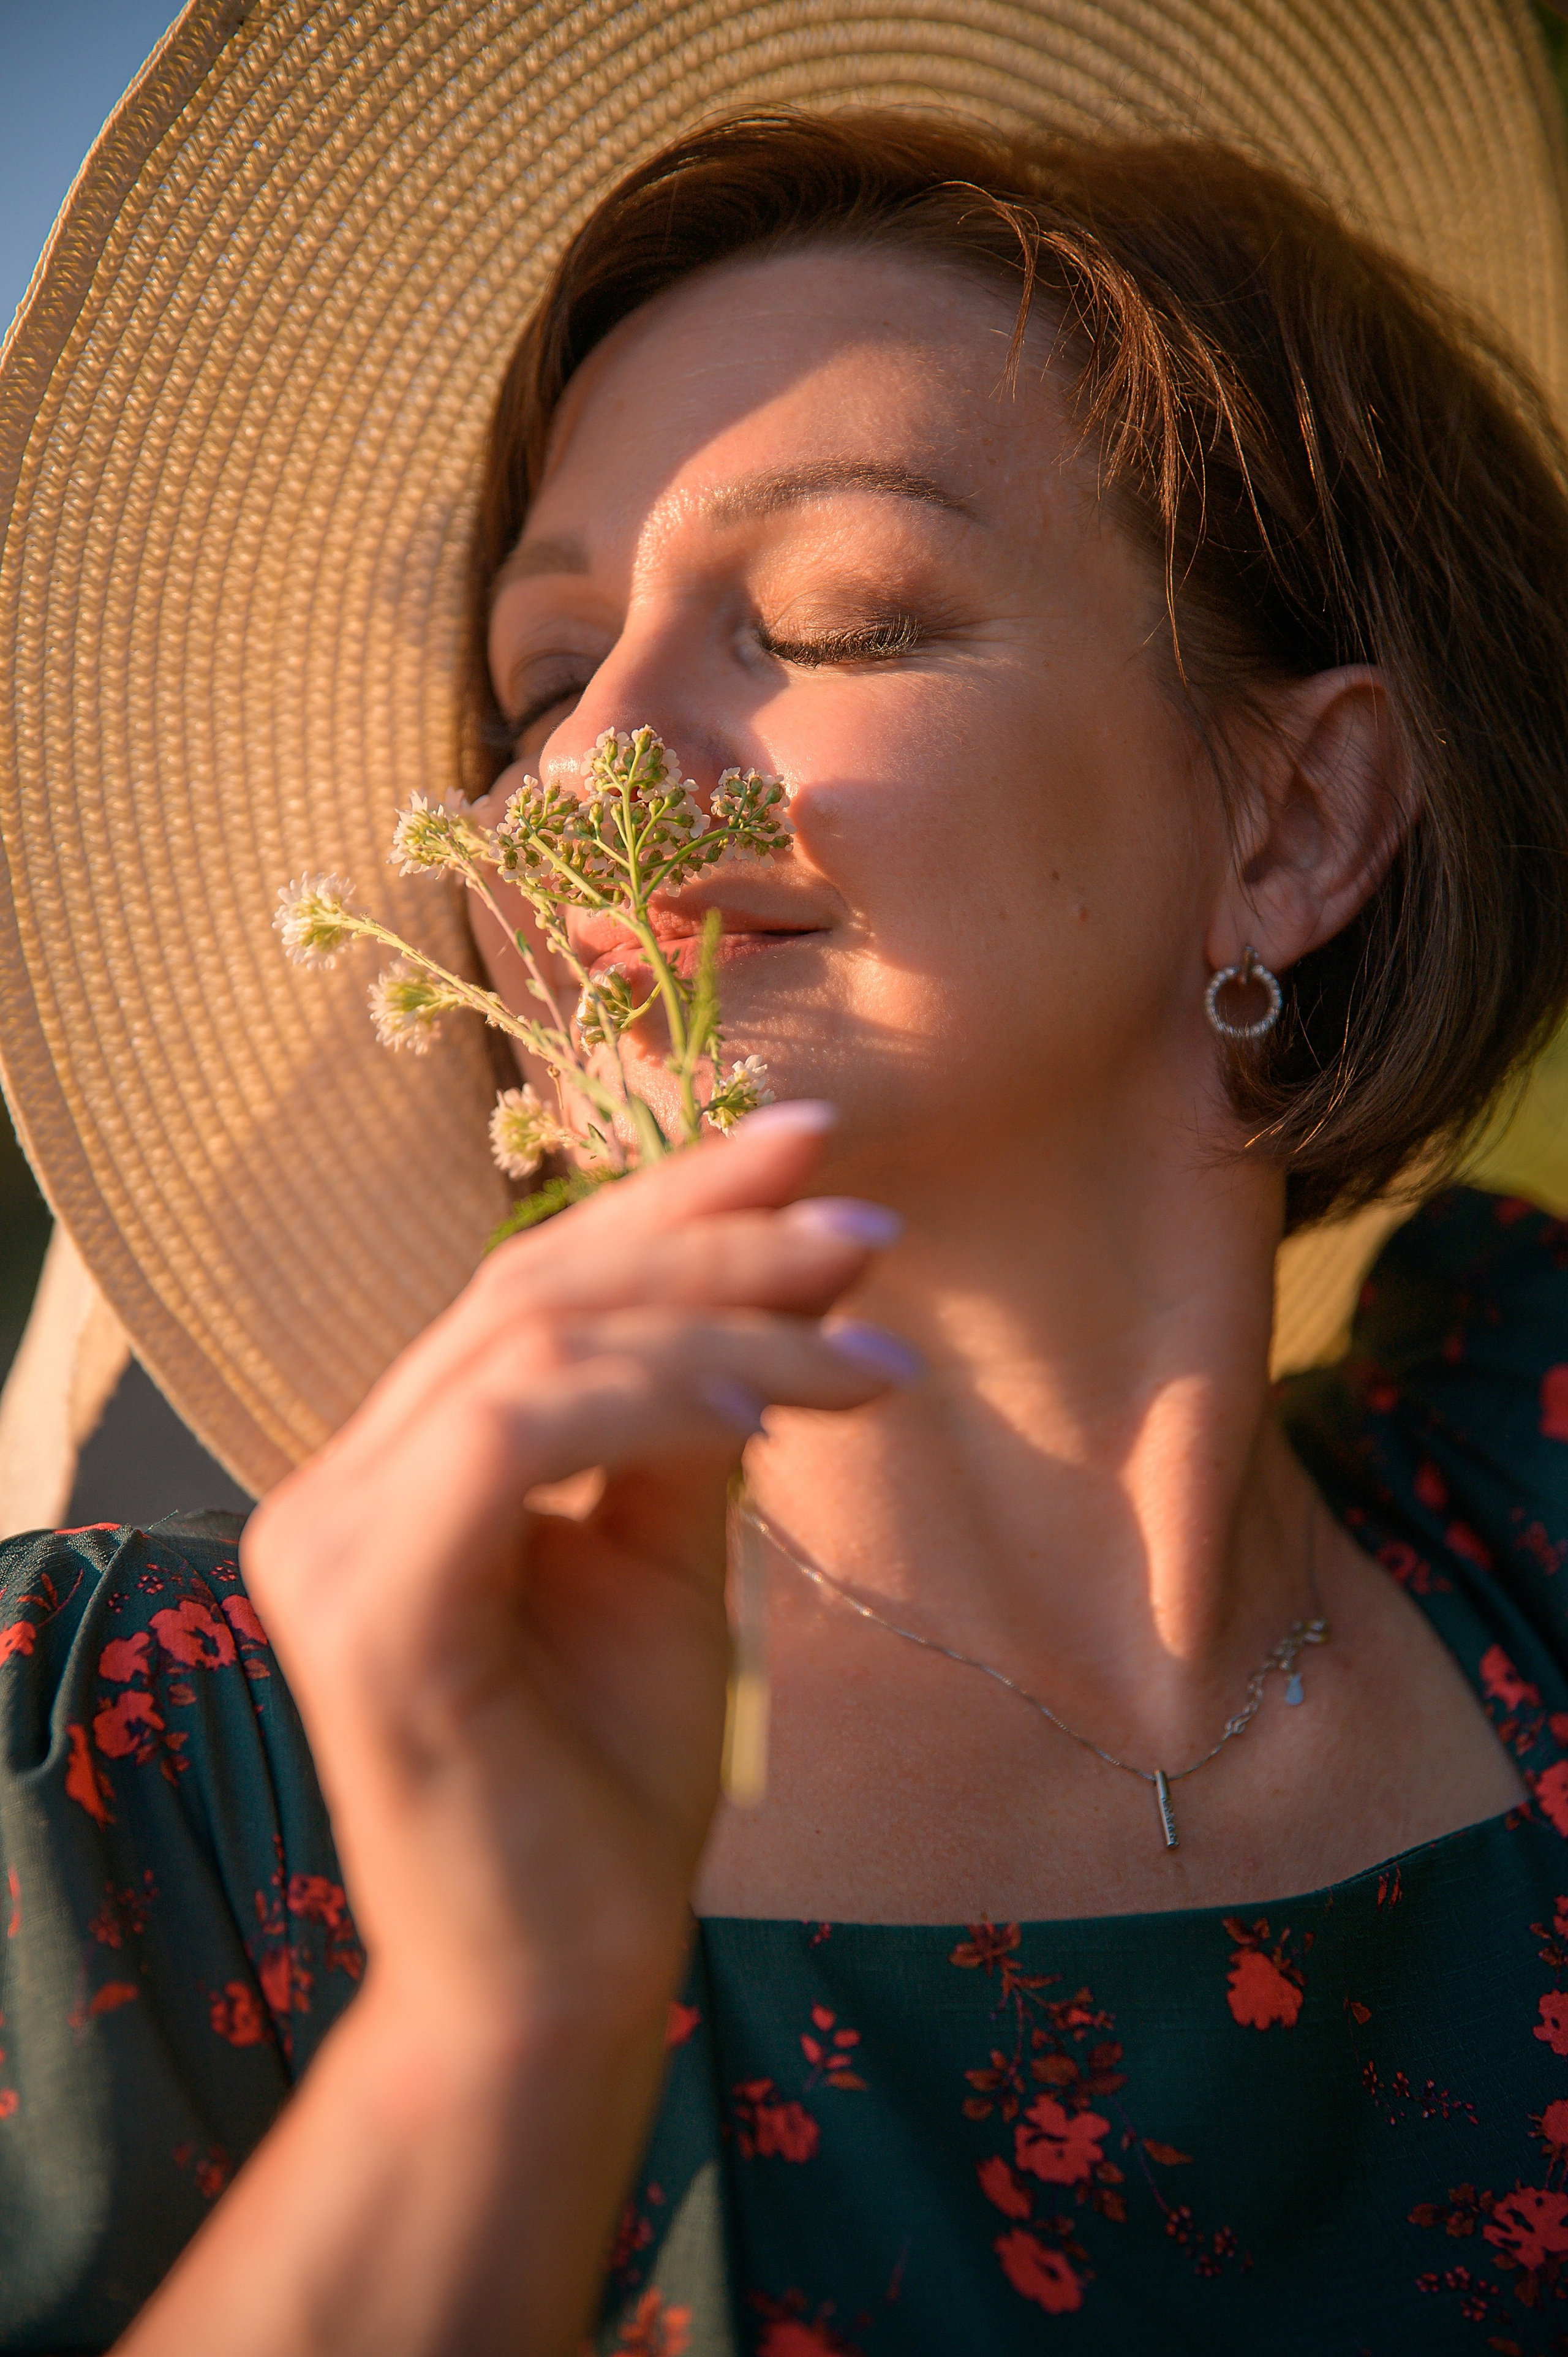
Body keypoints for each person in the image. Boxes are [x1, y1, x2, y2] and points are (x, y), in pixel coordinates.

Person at [3, 10, 1568, 2355]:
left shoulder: (1534, 1484)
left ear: (1293, 825)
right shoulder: (162, 1771)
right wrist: (492, 2039)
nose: (594, 768)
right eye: (540, 680)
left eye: (831, 619)